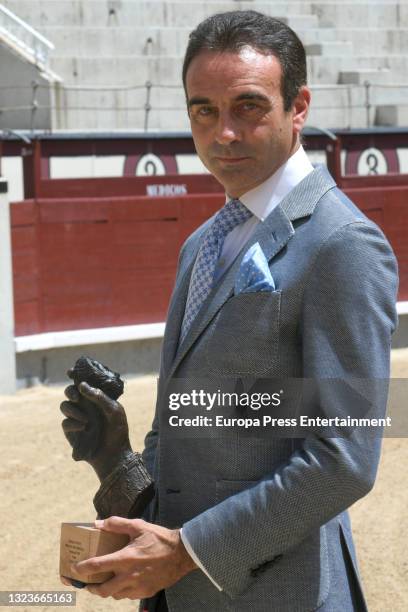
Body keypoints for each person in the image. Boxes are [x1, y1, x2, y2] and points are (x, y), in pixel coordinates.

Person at [60, 10, 398, 612]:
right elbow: (194, 434)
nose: (223, 134)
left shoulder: (340, 243)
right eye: (204, 111)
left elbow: (344, 459)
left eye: (248, 107)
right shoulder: (205, 243)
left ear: (298, 108)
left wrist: (188, 552)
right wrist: (116, 459)